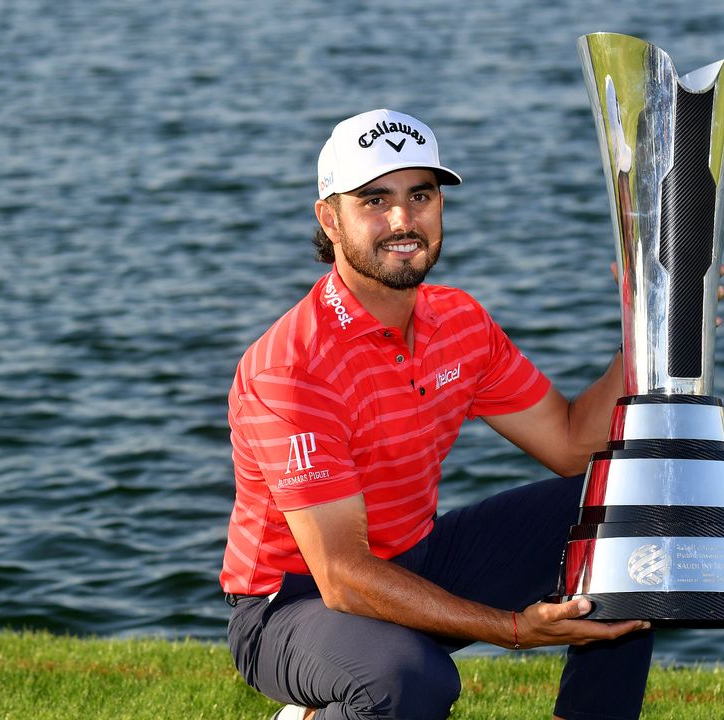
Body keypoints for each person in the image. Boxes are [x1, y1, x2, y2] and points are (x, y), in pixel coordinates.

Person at [220, 108, 654, 720]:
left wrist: (643, 334)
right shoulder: (291, 367)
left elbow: (569, 444)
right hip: (291, 606)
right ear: (330, 218)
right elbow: (343, 576)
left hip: (414, 556)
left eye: (419, 195)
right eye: (375, 200)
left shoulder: (458, 320)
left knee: (629, 511)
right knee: (408, 677)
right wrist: (515, 628)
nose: (403, 220)